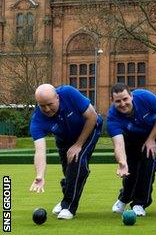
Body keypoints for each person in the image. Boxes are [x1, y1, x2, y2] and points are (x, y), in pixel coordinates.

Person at [29, 84, 102, 220]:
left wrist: (79, 144)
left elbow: (92, 116)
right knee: (69, 172)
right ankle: (66, 198)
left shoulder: (68, 93)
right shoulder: (37, 121)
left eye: (49, 104)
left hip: (89, 129)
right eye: (42, 106)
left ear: (57, 97)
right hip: (64, 139)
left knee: (77, 161)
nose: (47, 109)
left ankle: (68, 206)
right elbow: (40, 151)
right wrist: (40, 175)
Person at [107, 83, 156, 216]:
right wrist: (122, 163)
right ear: (112, 102)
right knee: (131, 168)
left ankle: (140, 203)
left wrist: (151, 139)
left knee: (147, 164)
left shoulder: (145, 97)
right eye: (118, 101)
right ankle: (124, 198)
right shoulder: (112, 118)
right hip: (132, 137)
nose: (122, 104)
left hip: (153, 131)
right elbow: (118, 145)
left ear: (131, 96)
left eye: (125, 99)